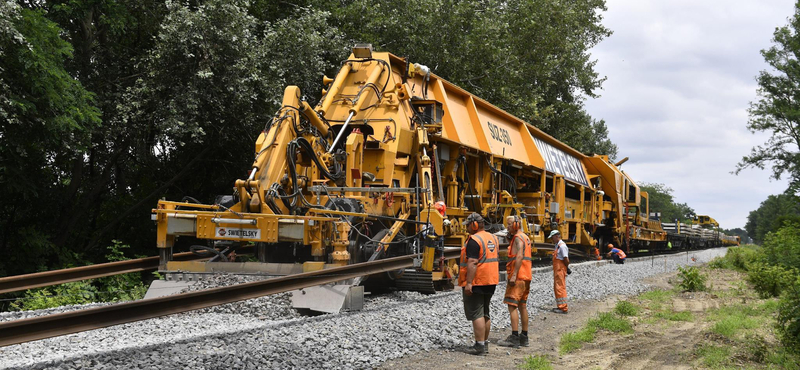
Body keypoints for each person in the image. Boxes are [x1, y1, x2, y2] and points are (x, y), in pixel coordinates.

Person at [459, 212, 500, 355]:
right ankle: (485, 343)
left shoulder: (474, 240)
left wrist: (469, 283)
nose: (467, 229)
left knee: (477, 313)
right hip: (491, 280)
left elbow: (472, 262)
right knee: (485, 313)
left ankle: (479, 346)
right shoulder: (493, 238)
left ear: (474, 225)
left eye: (468, 226)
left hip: (478, 281)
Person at [498, 216, 532, 348]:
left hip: (518, 277)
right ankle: (524, 336)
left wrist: (514, 275)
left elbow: (519, 255)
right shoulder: (525, 237)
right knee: (522, 305)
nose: (508, 227)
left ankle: (514, 336)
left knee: (512, 306)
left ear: (517, 224)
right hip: (526, 276)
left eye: (510, 224)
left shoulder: (518, 238)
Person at [549, 230, 569, 314]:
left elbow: (566, 259)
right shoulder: (557, 246)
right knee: (557, 287)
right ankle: (560, 306)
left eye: (552, 237)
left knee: (560, 287)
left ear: (556, 236)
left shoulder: (562, 246)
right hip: (558, 270)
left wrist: (566, 268)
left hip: (560, 269)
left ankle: (563, 308)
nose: (552, 239)